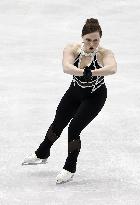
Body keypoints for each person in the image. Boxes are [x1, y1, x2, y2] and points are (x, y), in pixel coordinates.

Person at [22, 18, 117, 184]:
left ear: (100, 39)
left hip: (95, 96)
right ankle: (42, 152)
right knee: (58, 123)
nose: (92, 44)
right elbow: (66, 67)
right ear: (82, 37)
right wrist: (83, 72)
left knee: (74, 128)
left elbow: (112, 68)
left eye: (96, 40)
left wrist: (92, 73)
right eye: (88, 39)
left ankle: (70, 167)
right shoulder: (72, 49)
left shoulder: (104, 53)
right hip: (75, 92)